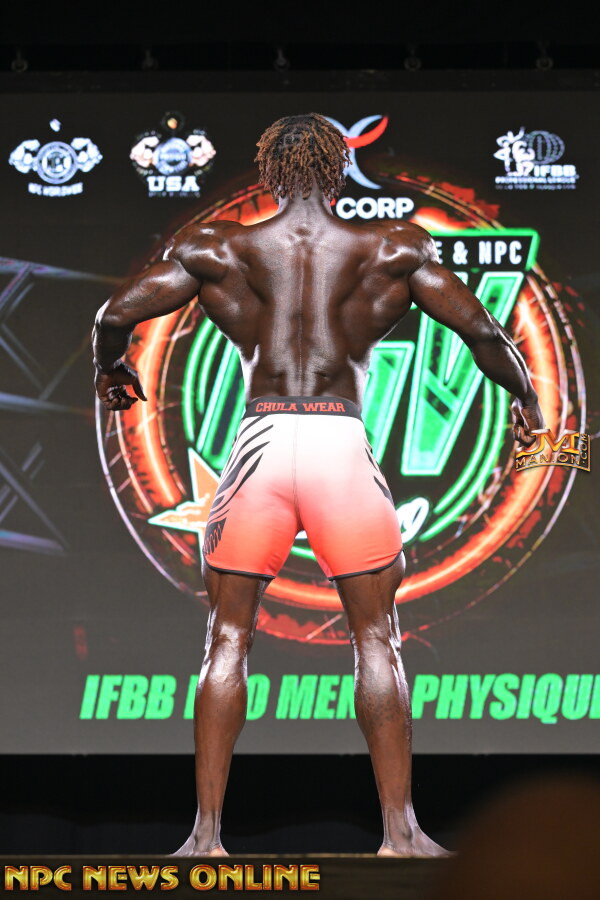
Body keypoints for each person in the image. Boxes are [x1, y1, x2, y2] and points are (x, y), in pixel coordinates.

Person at [92, 113, 545, 857]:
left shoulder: (217, 248)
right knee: (377, 639)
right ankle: (400, 834)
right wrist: (528, 400)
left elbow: (114, 315)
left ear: (270, 172)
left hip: (262, 443)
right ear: (337, 170)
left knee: (226, 639)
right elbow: (485, 334)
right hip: (340, 444)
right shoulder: (393, 248)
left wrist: (113, 370)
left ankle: (205, 837)